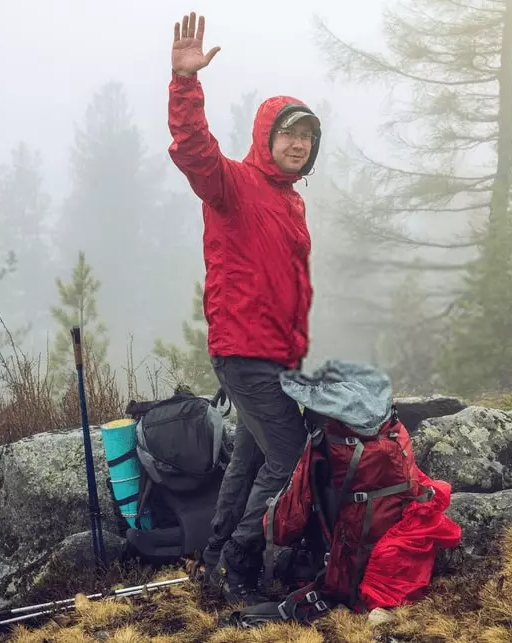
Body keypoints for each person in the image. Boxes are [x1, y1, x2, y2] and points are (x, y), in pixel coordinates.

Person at [166, 11, 321, 605]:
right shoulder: (232, 183)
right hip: (244, 351)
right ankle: (240, 560)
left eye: (307, 136)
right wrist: (185, 82)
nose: (298, 143)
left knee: (251, 456)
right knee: (290, 455)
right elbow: (193, 150)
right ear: (266, 137)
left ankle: (214, 556)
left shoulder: (290, 203)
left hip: (277, 356)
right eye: (288, 133)